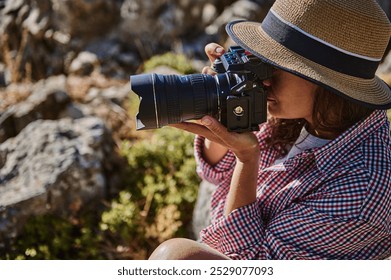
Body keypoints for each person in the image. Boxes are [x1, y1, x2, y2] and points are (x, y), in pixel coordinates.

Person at [149, 0, 391, 260]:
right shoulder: (305, 116)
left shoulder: (363, 188)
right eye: (261, 59)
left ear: (326, 81)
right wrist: (222, 101)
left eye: (276, 64)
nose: (264, 77)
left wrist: (247, 158)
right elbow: (215, 172)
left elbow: (250, 263)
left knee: (176, 257)